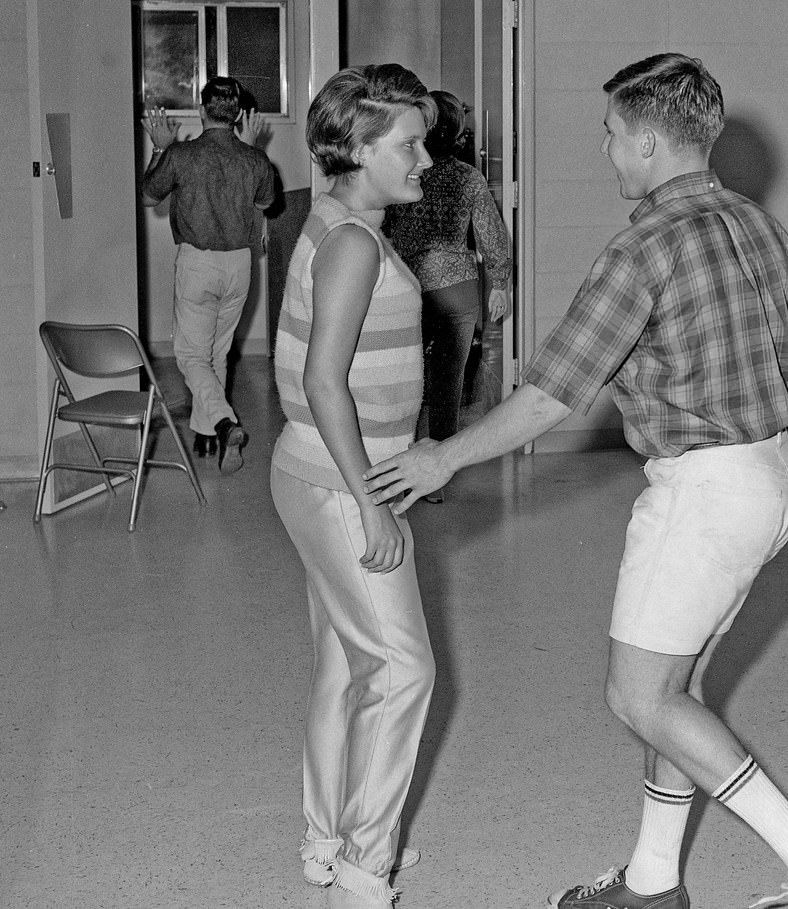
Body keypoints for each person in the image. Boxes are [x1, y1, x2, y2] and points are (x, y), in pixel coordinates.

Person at [364, 53, 788, 909]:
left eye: (608, 136)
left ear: (647, 141)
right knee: (678, 691)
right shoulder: (759, 224)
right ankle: (653, 882)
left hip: (705, 491)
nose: (604, 151)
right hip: (773, 478)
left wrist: (441, 455)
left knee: (638, 696)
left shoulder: (644, 248)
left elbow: (553, 392)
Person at [270, 64, 437, 909]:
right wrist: (370, 503)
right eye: (410, 143)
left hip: (314, 471)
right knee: (404, 668)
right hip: (340, 482)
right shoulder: (351, 243)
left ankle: (326, 840)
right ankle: (366, 873)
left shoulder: (333, 218)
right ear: (360, 148)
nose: (427, 159)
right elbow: (323, 379)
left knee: (344, 661)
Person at [141, 76, 276, 473]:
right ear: (236, 115)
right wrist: (253, 153)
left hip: (198, 264)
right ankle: (205, 436)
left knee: (189, 354)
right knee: (217, 352)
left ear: (202, 112)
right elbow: (266, 202)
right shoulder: (254, 158)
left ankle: (223, 420)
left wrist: (159, 149)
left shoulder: (182, 154)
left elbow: (149, 195)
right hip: (239, 265)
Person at [383, 89, 511, 503]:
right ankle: (432, 482)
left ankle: (391, 468)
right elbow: (493, 236)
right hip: (457, 290)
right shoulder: (467, 177)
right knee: (447, 387)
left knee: (402, 381)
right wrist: (502, 283)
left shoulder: (402, 172)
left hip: (408, 286)